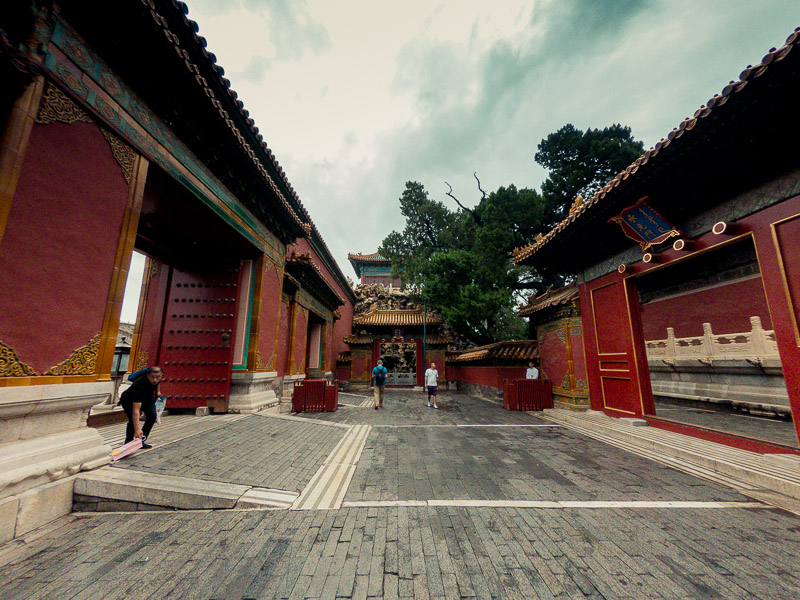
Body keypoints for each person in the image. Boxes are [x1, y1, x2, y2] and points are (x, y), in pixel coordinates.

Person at [119, 365, 164, 448]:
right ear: (147, 375)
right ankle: (128, 444)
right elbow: (136, 411)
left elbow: (157, 383)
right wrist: (137, 430)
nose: (155, 380)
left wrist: (158, 391)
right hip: (129, 399)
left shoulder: (157, 380)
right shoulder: (140, 385)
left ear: (161, 376)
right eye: (152, 377)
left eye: (158, 377)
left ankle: (141, 441)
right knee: (133, 421)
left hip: (147, 397)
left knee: (152, 416)